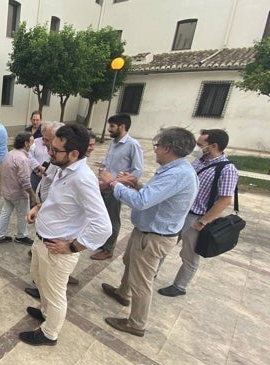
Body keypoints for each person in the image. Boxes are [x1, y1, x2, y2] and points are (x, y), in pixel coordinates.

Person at [98, 127, 198, 337]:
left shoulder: (177, 174)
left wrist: (113, 182)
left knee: (141, 281)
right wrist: (136, 184)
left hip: (154, 237)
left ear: (168, 149)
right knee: (129, 263)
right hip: (145, 231)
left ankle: (136, 324)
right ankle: (122, 293)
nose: (156, 151)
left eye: (157, 146)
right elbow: (153, 196)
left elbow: (141, 202)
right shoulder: (174, 170)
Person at [18, 123, 111, 346]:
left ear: (74, 153)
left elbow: (103, 226)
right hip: (42, 241)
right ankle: (45, 312)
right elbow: (57, 200)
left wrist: (72, 247)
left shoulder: (82, 179)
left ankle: (49, 333)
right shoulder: (63, 169)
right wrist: (38, 208)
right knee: (39, 280)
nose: (50, 153)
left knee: (55, 293)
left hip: (58, 250)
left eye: (55, 150)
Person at [158, 129, 238, 297]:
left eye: (200, 144)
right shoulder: (198, 162)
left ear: (213, 146)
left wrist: (203, 221)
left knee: (189, 255)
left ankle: (180, 286)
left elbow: (224, 200)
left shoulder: (227, 169)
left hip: (196, 218)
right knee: (163, 244)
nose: (196, 147)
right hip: (181, 212)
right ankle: (152, 271)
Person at [91, 114, 143, 261]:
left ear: (122, 126)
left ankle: (109, 249)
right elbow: (107, 161)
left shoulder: (133, 145)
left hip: (116, 188)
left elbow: (137, 170)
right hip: (104, 185)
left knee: (112, 218)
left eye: (112, 126)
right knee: (102, 215)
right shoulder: (113, 143)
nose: (109, 129)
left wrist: (120, 183)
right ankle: (103, 242)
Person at [0, 133, 38, 246]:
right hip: (19, 194)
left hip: (8, 191)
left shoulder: (9, 154)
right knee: (23, 215)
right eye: (31, 142)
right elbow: (25, 181)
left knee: (5, 213)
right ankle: (21, 236)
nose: (33, 145)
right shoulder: (23, 159)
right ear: (26, 143)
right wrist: (32, 195)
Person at [28, 121, 56, 192]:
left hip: (48, 176)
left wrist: (46, 170)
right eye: (43, 135)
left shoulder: (55, 146)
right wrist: (39, 167)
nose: (44, 142)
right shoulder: (35, 142)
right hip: (35, 175)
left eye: (47, 138)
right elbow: (29, 156)